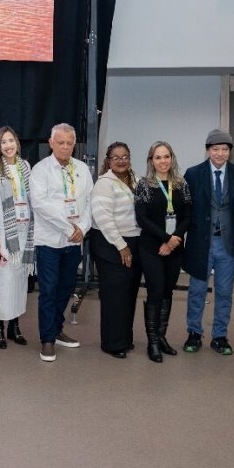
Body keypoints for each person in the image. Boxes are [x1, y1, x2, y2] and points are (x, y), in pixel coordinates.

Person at [182, 129, 234, 356]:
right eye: (215, 149)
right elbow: (187, 209)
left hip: (228, 244)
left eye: (224, 149)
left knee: (224, 293)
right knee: (197, 291)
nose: (220, 153)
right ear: (208, 150)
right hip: (201, 243)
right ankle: (194, 333)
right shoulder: (193, 174)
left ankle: (220, 336)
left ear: (230, 151)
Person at [30, 123, 93, 362]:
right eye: (60, 142)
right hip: (49, 241)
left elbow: (90, 202)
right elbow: (40, 205)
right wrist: (69, 228)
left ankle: (56, 329)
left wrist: (83, 228)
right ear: (51, 143)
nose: (65, 147)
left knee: (66, 288)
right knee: (48, 290)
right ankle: (47, 339)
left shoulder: (82, 169)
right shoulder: (40, 170)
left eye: (69, 143)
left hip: (74, 242)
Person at [135, 141, 192, 363]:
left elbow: (187, 216)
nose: (163, 161)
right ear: (151, 161)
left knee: (168, 291)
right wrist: (166, 239)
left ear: (172, 158)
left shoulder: (181, 184)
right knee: (156, 291)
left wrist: (174, 240)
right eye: (158, 157)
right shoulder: (144, 185)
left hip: (175, 248)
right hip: (151, 248)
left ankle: (161, 337)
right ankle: (152, 342)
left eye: (166, 156)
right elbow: (142, 218)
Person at [0, 126, 34, 349]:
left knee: (20, 283)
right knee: (3, 283)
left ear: (17, 143)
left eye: (11, 140)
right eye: (3, 142)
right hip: (4, 235)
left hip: (25, 233)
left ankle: (14, 327)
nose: (8, 145)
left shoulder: (26, 167)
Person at [90, 142, 142, 359]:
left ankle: (125, 338)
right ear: (108, 161)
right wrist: (122, 246)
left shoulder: (135, 180)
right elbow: (103, 218)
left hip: (133, 241)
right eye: (116, 157)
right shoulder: (104, 184)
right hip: (111, 244)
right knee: (115, 296)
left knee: (128, 293)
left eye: (125, 156)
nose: (121, 161)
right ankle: (113, 343)